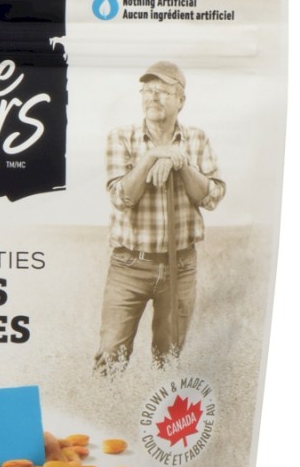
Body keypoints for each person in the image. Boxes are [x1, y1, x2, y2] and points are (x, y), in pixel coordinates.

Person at [95, 61, 225, 372]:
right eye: (147, 90)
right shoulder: (121, 137)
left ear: (181, 100)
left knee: (168, 358)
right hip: (129, 265)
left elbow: (211, 196)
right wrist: (153, 155)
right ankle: (105, 403)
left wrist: (181, 163)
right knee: (110, 358)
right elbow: (121, 197)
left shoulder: (197, 139)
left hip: (180, 266)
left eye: (163, 90)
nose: (153, 96)